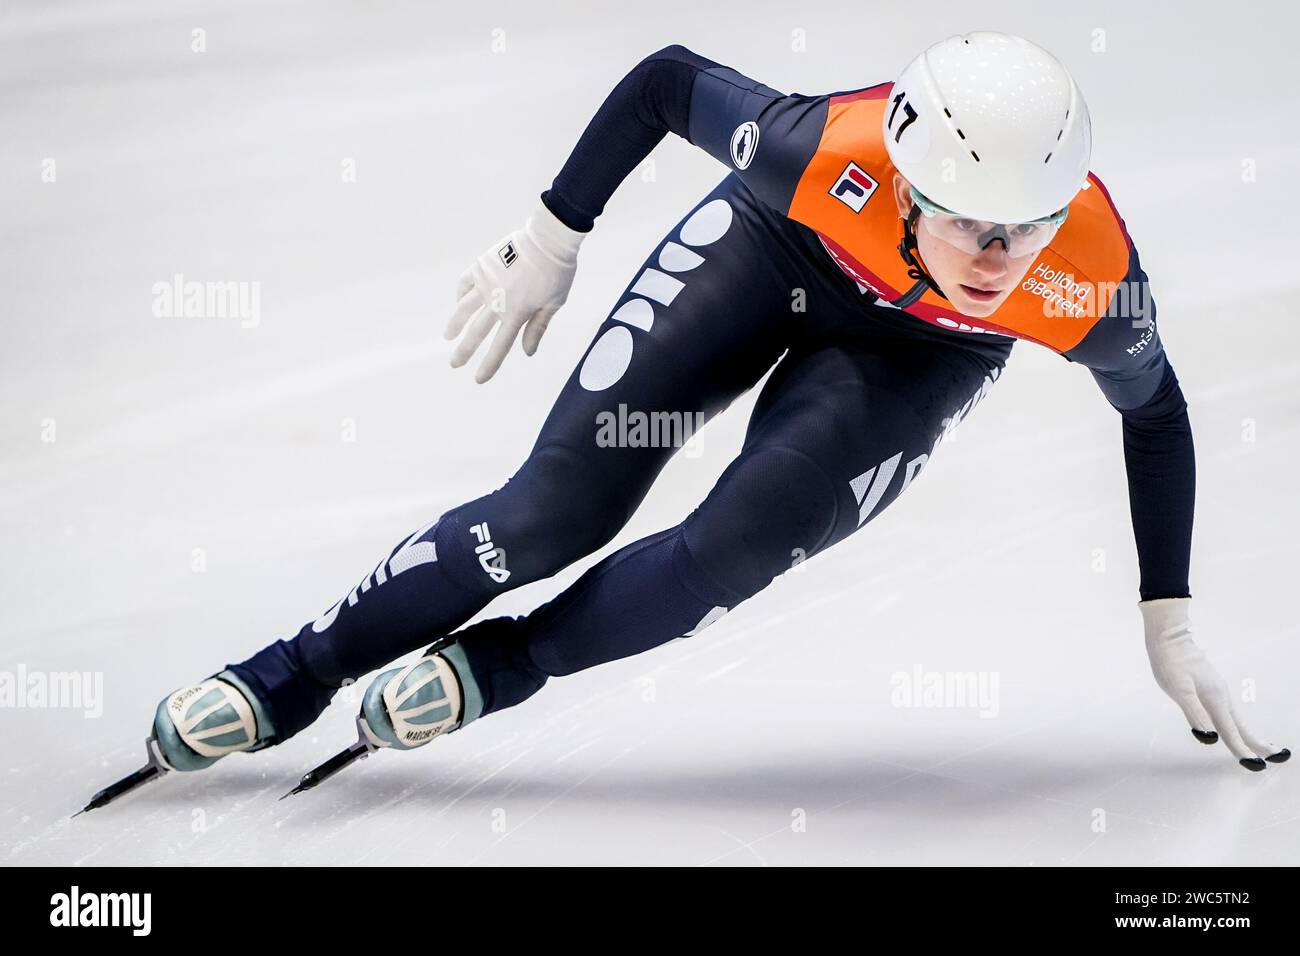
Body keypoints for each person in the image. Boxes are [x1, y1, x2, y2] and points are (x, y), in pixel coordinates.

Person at [150, 32, 1287, 778]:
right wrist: (553, 234)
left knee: (732, 551)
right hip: (769, 248)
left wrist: (1166, 611)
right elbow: (664, 79)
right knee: (548, 514)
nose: (996, 258)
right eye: (964, 222)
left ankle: (502, 668)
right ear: (905, 182)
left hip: (912, 359)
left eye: (1023, 227)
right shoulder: (819, 153)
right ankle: (290, 672)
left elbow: (1156, 413)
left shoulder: (1085, 279)